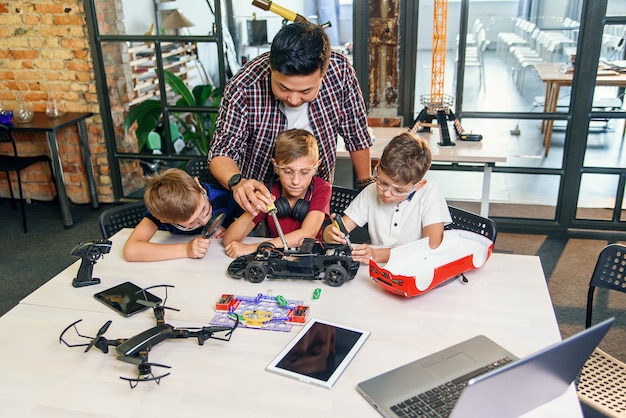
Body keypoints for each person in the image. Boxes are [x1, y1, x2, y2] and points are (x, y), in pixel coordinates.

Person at [208, 21, 373, 218]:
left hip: (316, 197)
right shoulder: (243, 86)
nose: (294, 100)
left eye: (306, 91)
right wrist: (237, 182)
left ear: (324, 72)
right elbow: (222, 151)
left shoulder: (340, 72)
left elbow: (356, 134)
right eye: (283, 88)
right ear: (271, 67)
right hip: (260, 202)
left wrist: (366, 187)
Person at [323, 131, 452, 264]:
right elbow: (337, 229)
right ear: (378, 165)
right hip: (376, 270)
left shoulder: (429, 192)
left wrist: (377, 254)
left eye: (399, 190)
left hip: (415, 267)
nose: (386, 193)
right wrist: (331, 233)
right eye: (383, 182)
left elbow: (432, 246)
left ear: (419, 185)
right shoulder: (370, 191)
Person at [223, 129, 331, 258]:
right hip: (275, 257)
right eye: (287, 171)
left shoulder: (322, 188)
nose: (296, 181)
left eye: (304, 172)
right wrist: (255, 208)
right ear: (275, 166)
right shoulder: (268, 191)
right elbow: (229, 240)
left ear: (316, 166)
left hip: (309, 257)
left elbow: (308, 233)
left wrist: (255, 247)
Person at [123, 168, 236, 262]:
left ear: (198, 185)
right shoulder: (163, 212)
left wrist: (225, 227)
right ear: (164, 220)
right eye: (193, 222)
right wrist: (186, 249)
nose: (205, 220)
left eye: (204, 209)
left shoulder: (222, 195)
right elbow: (131, 250)